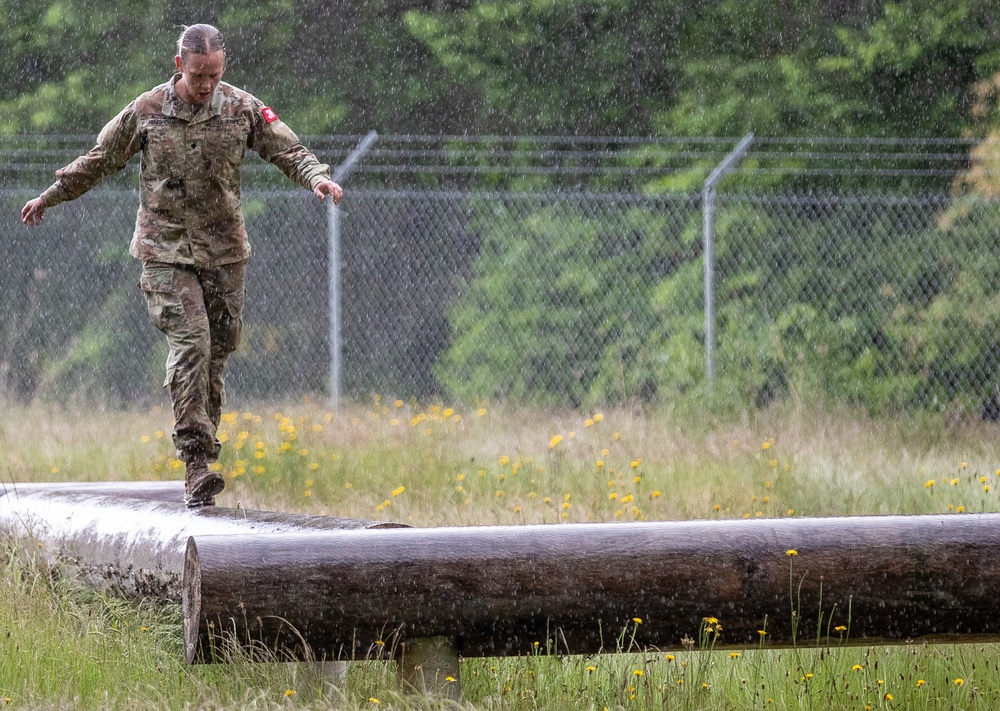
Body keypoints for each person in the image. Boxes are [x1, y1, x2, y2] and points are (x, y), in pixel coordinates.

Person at [20, 24, 343, 507]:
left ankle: (203, 464)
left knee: (217, 350)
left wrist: (318, 178)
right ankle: (195, 463)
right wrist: (50, 196)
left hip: (224, 251)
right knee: (192, 341)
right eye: (197, 76)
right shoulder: (146, 111)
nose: (206, 84)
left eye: (214, 74)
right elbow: (100, 159)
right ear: (179, 67)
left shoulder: (243, 109)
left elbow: (289, 150)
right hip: (164, 251)